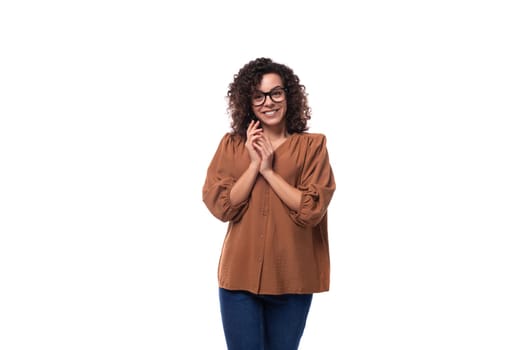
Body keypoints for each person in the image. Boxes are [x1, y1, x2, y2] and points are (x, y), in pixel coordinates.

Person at [202, 57, 336, 350]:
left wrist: (269, 172)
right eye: (258, 95)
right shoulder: (232, 145)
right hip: (238, 281)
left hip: (293, 279)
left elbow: (311, 208)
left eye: (276, 92)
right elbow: (221, 206)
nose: (269, 102)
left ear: (288, 95)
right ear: (247, 101)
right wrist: (252, 167)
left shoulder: (313, 147)